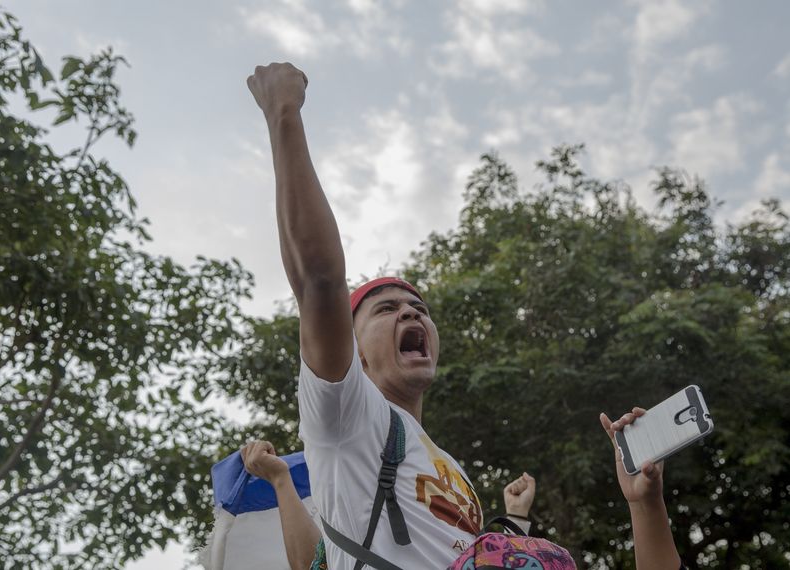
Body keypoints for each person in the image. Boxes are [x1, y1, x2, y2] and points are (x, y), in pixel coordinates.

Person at [245, 61, 685, 569]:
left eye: (419, 309)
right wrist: (284, 114)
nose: (410, 311)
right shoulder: (347, 415)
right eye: (386, 309)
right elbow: (318, 282)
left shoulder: (448, 468)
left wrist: (632, 505)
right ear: (353, 349)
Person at [240, 440, 538, 570]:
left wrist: (516, 517)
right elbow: (312, 565)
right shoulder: (342, 465)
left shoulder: (449, 465)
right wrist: (281, 481)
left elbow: (480, 558)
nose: (410, 313)